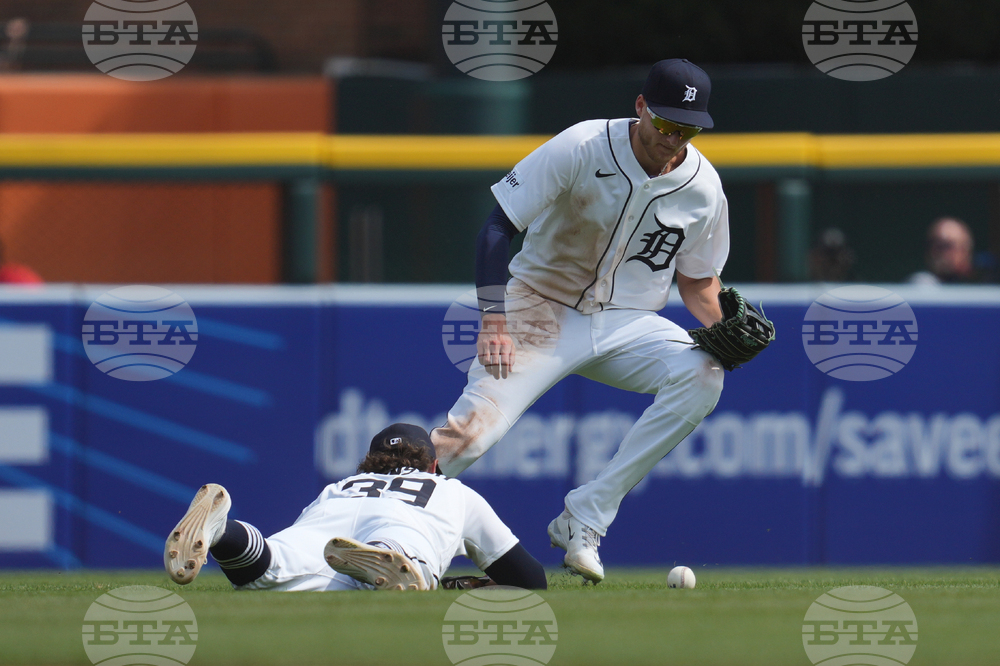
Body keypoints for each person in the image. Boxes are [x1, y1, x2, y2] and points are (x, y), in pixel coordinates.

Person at [431, 59, 737, 583]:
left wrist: (732, 324)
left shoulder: (703, 187)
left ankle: (585, 518)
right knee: (468, 439)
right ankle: (366, 520)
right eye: (664, 123)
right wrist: (493, 318)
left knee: (704, 373)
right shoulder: (583, 144)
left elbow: (697, 283)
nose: (672, 138)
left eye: (686, 129)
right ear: (640, 107)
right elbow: (498, 227)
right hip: (538, 308)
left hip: (628, 322)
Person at [164, 423, 546, 591]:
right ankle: (389, 555)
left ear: (371, 461)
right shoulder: (450, 490)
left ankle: (222, 532)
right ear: (433, 466)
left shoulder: (342, 485)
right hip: (403, 526)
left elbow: (307, 531)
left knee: (268, 568)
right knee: (410, 560)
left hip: (329, 527)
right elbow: (529, 578)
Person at [909, 217, 975, 285]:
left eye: (946, 245)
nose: (935, 251)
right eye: (931, 244)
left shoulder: (980, 285)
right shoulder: (924, 284)